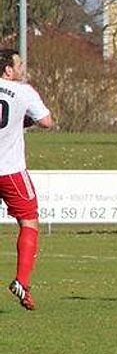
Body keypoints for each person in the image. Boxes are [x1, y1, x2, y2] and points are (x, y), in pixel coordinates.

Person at [1, 49, 55, 310]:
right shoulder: (23, 91)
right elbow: (46, 121)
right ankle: (22, 281)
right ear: (8, 70)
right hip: (10, 171)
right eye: (18, 64)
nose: (22, 68)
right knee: (29, 222)